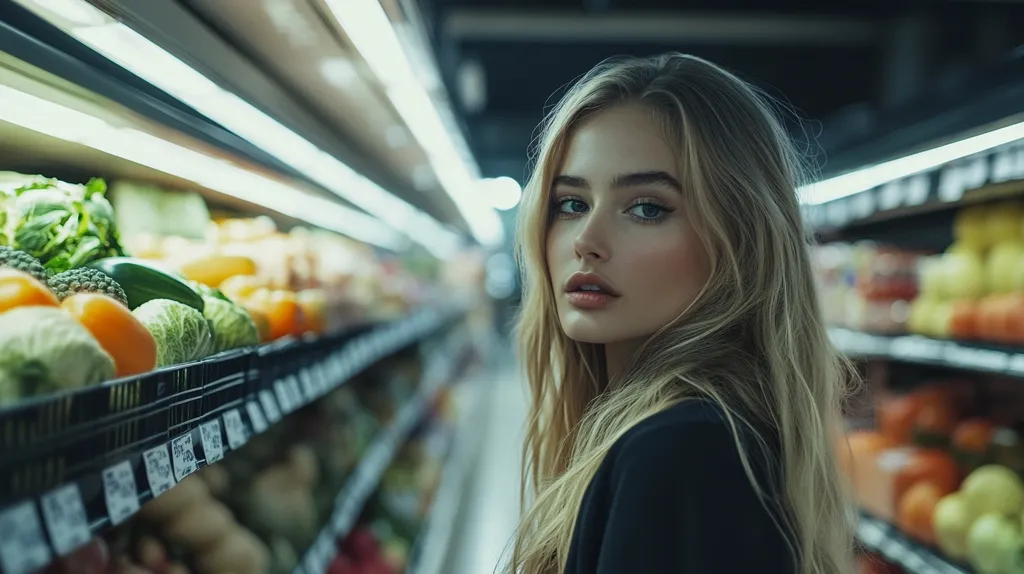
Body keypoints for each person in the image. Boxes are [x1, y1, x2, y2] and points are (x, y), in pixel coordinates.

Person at [508, 53, 856, 574]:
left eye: (647, 208)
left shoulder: (679, 449)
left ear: (741, 241)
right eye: (572, 204)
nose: (586, 240)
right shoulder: (696, 436)